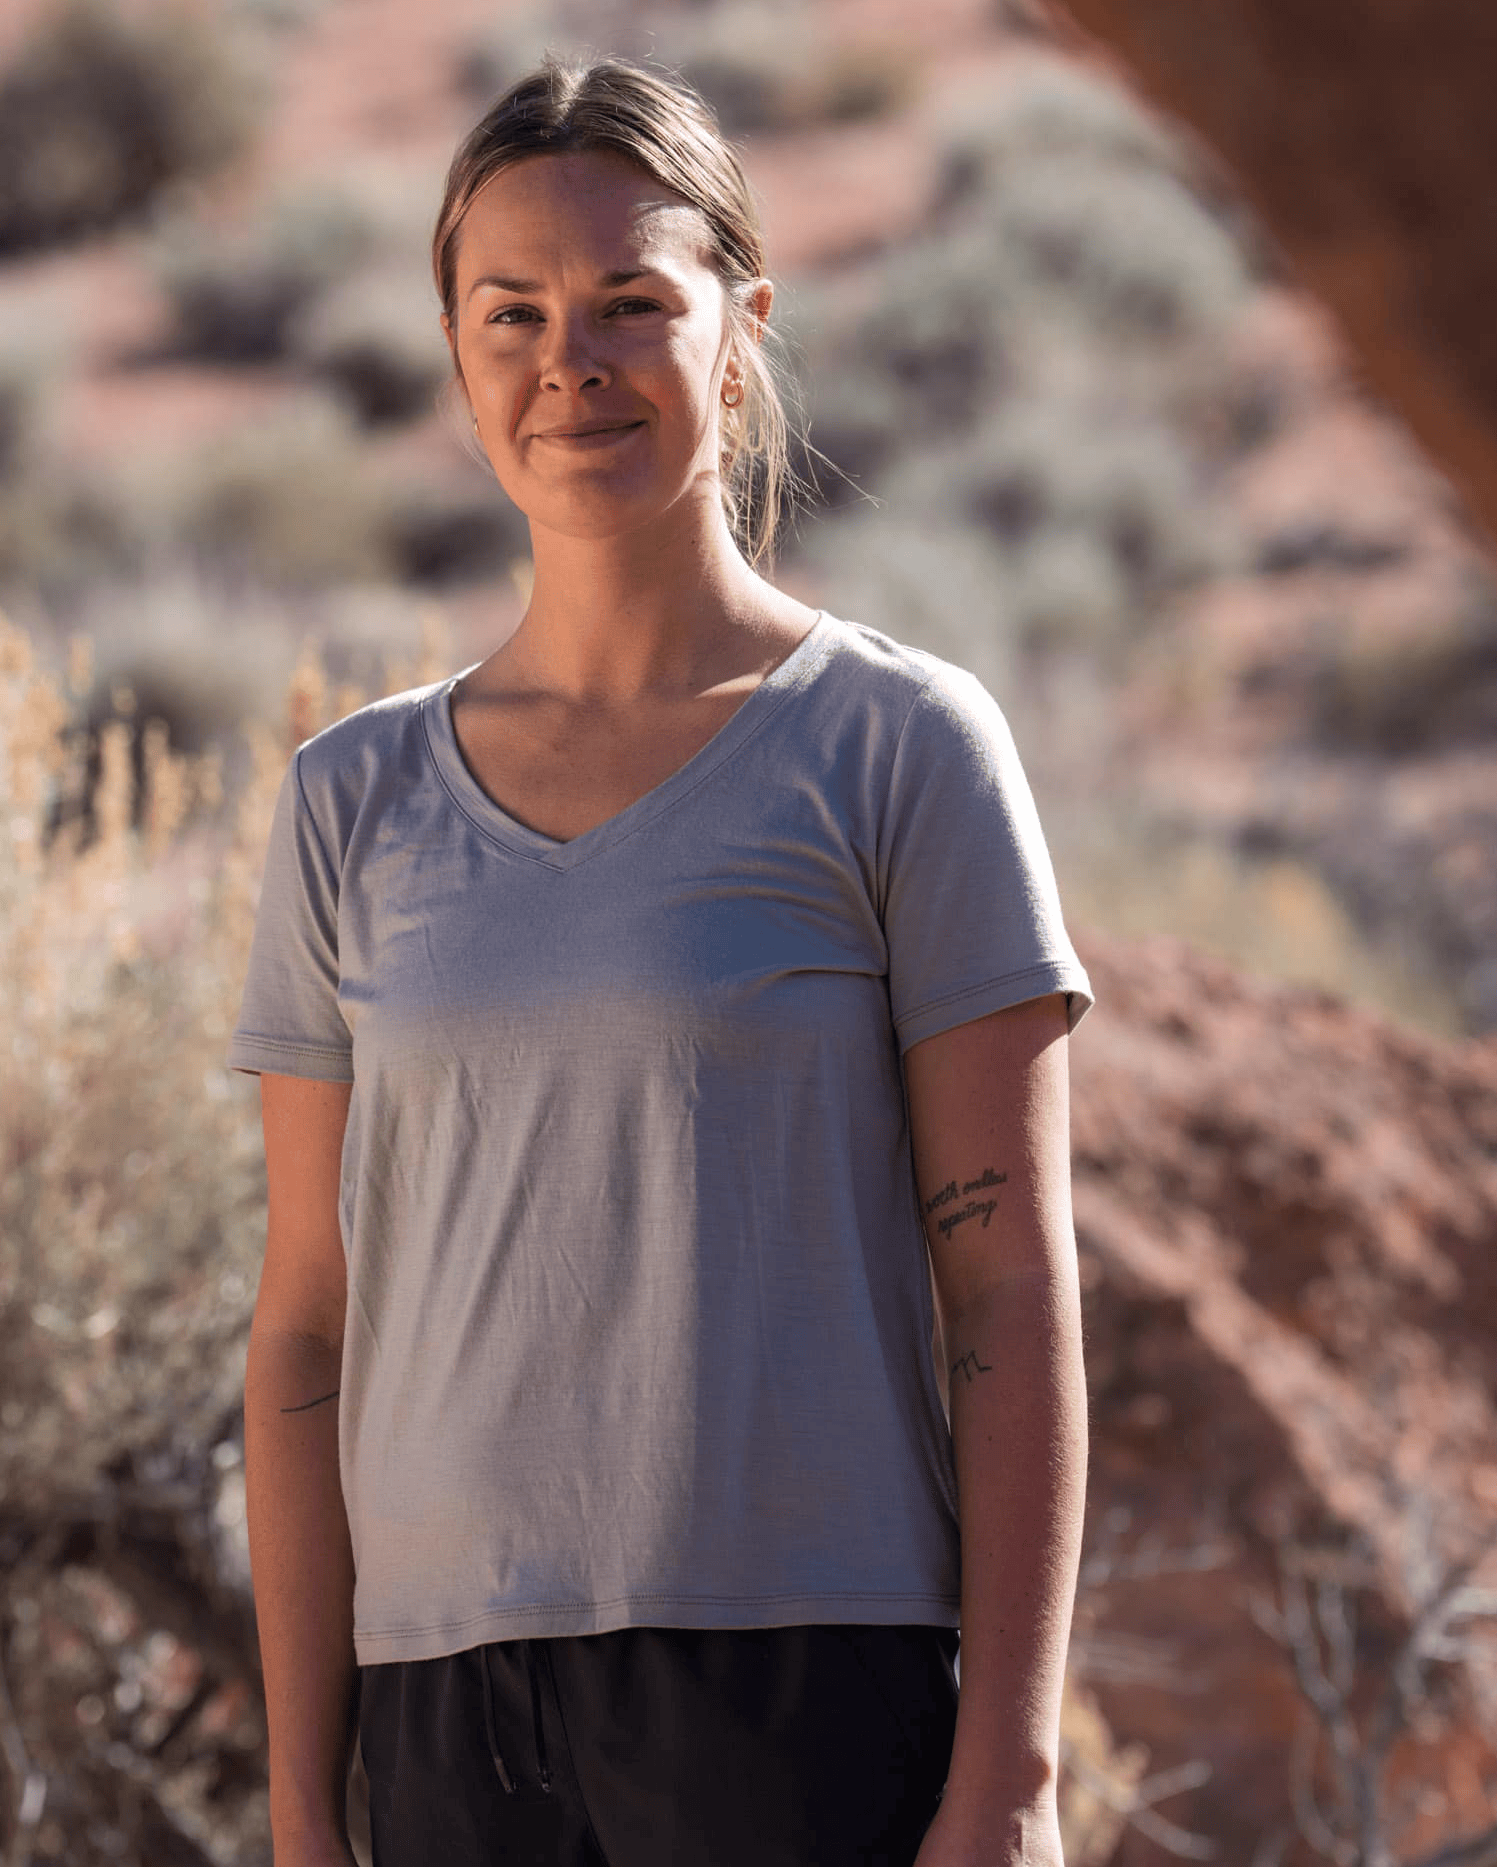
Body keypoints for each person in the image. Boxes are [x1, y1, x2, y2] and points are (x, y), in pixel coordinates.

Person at [228, 53, 1094, 1867]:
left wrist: (1007, 1785)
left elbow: (1006, 1288)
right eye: (514, 312)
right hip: (443, 1707)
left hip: (801, 1690)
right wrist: (307, 1810)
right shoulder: (347, 798)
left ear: (742, 323)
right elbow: (305, 1331)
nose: (573, 362)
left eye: (634, 302)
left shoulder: (896, 746)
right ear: (454, 348)